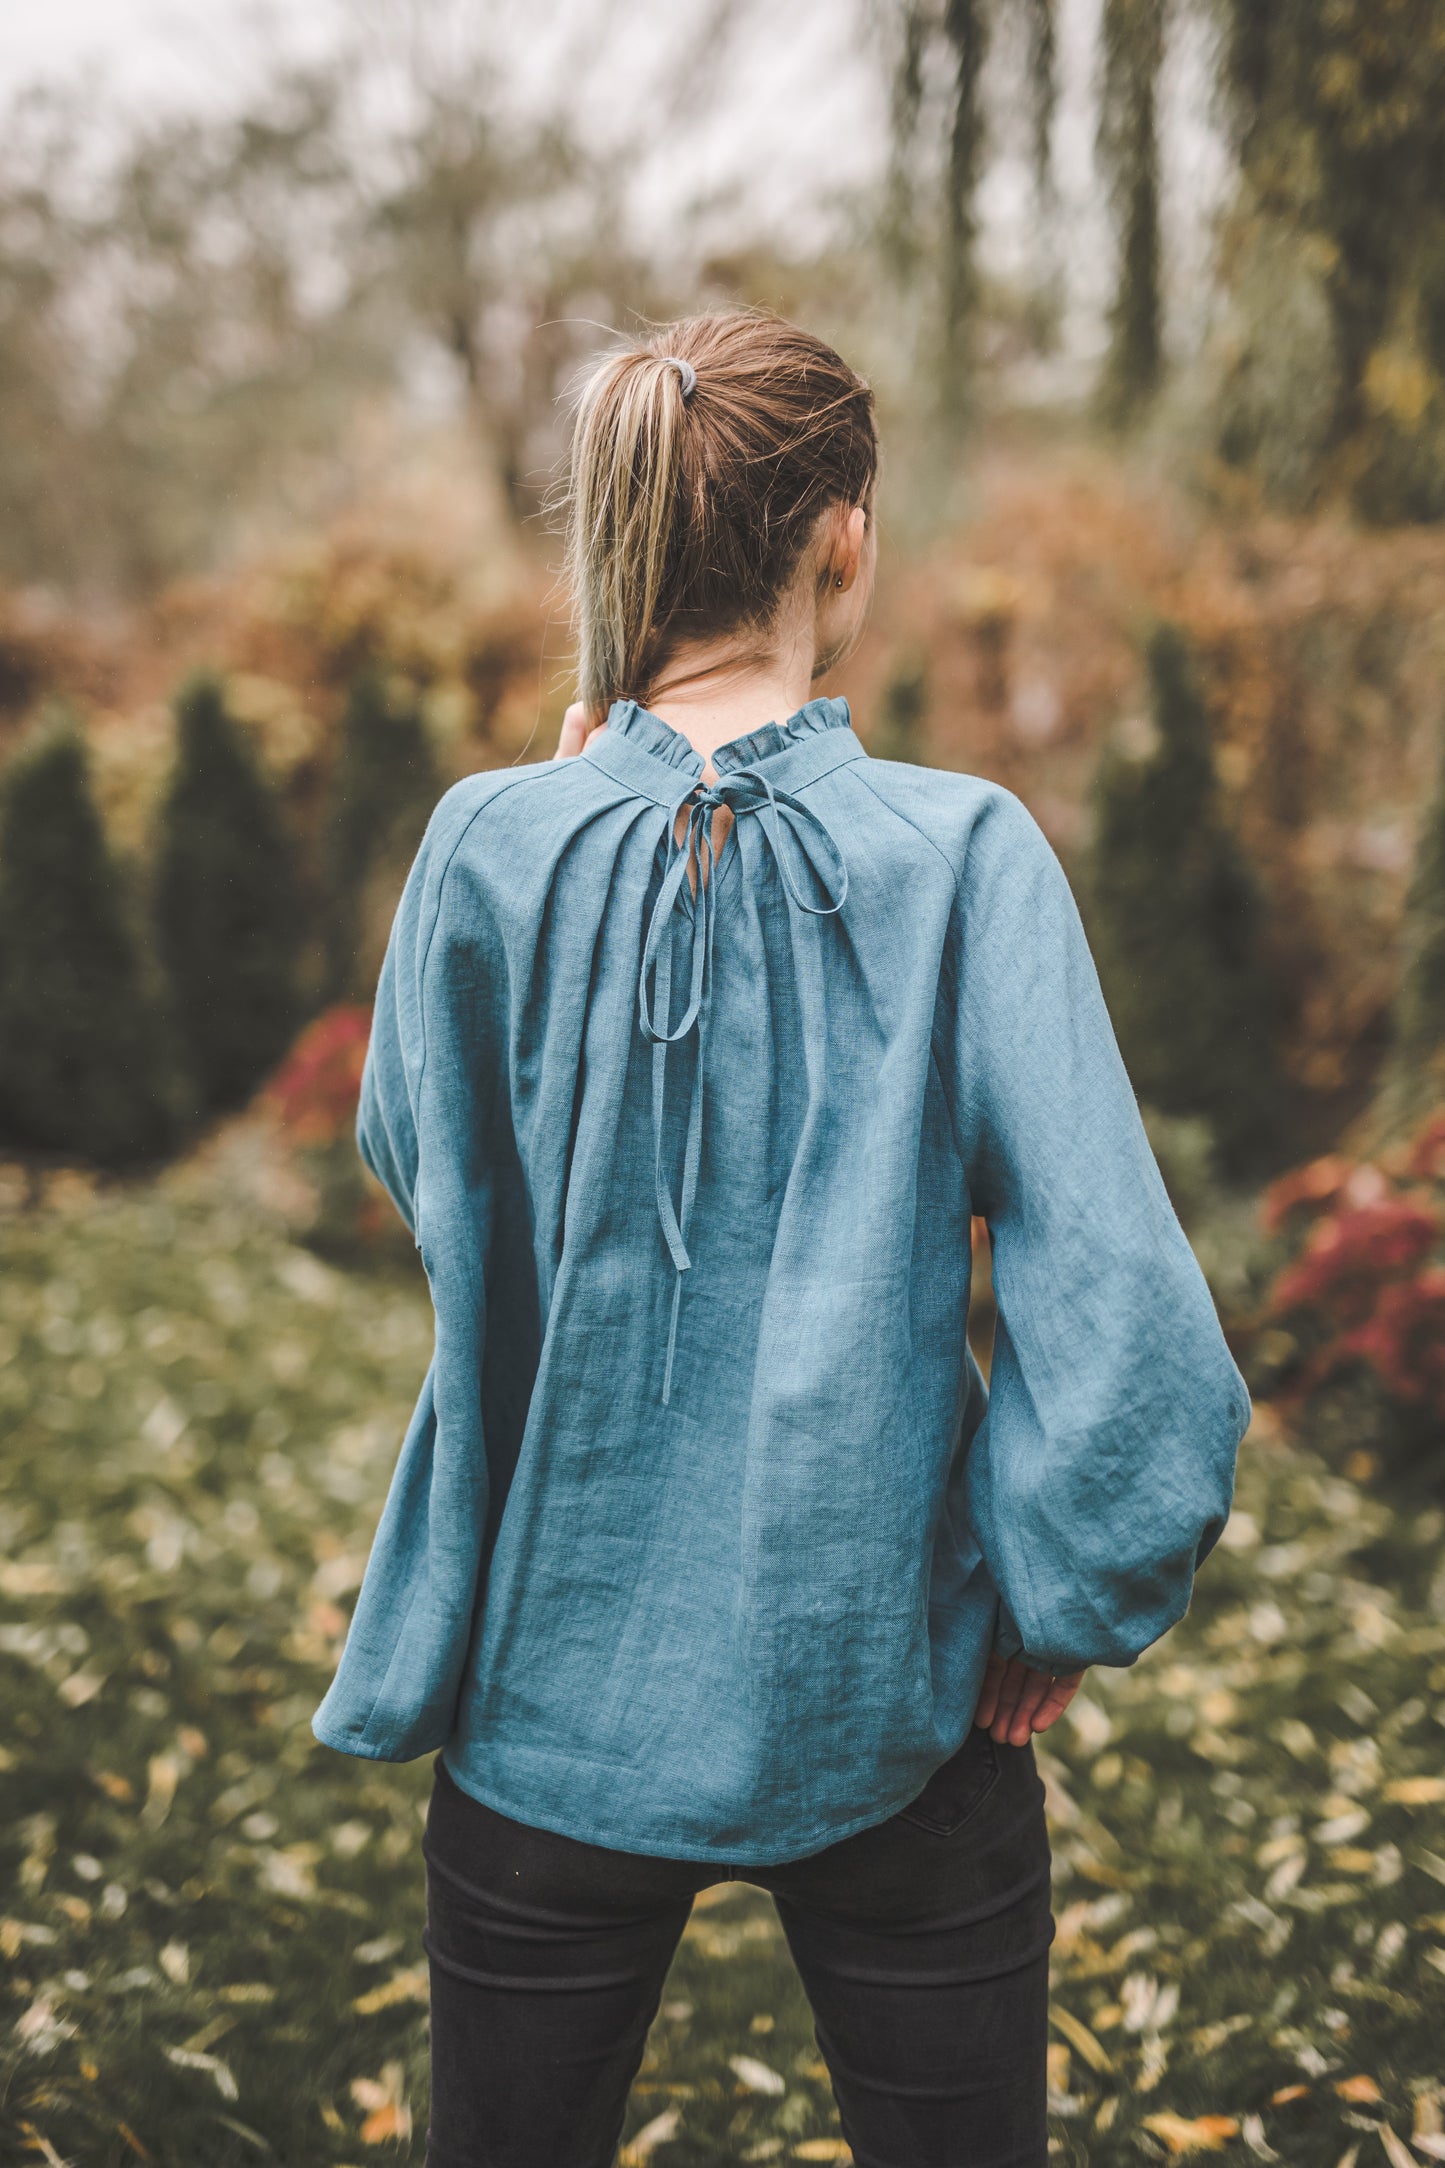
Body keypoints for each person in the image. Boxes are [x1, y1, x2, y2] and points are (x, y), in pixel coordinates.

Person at [311, 309, 1250, 2168]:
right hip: (890, 1692)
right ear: (843, 538)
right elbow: (1122, 1300)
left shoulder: (484, 841)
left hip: (539, 1680)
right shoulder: (962, 852)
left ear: (625, 544)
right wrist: (1062, 1580)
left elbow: (421, 1160)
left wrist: (554, 811)